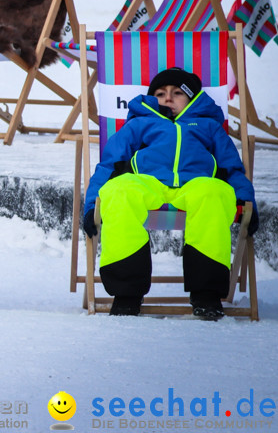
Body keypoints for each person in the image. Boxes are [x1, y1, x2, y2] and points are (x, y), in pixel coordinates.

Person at [81, 67, 258, 320]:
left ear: (192, 98)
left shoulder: (208, 126)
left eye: (177, 93)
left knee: (216, 192)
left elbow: (233, 168)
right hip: (147, 182)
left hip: (196, 184)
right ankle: (127, 294)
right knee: (119, 191)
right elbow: (108, 165)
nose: (167, 98)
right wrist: (91, 206)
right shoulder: (140, 123)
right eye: (161, 93)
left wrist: (247, 201)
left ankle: (206, 294)